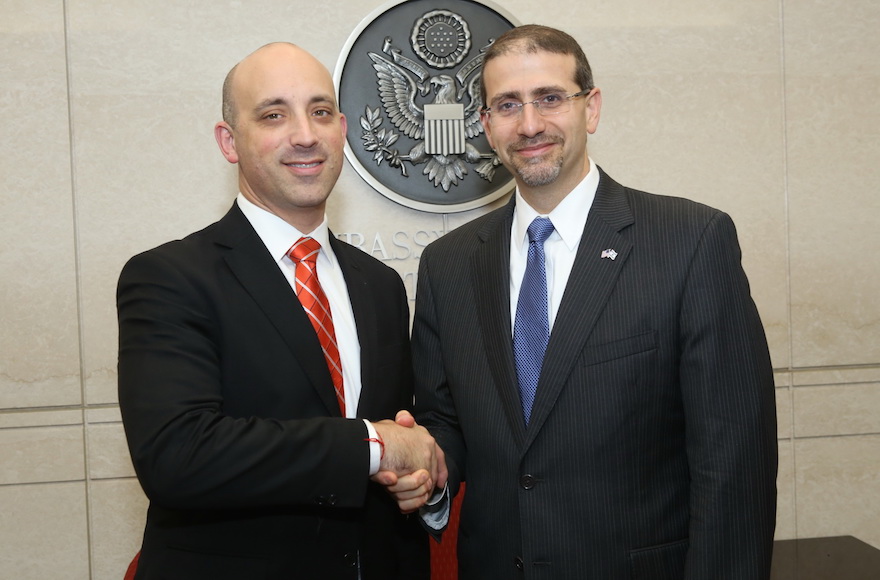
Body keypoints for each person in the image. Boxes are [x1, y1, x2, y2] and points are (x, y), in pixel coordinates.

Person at [404, 24, 778, 579]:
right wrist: (428, 468)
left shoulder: (690, 241)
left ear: (591, 108)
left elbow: (733, 464)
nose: (529, 124)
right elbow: (447, 421)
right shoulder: (448, 265)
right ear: (485, 125)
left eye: (550, 98)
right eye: (507, 105)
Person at [117, 42, 442, 580]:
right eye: (273, 115)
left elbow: (399, 446)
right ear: (229, 141)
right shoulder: (170, 277)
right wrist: (375, 445)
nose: (305, 135)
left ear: (341, 128)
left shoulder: (381, 285)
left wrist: (417, 482)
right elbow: (179, 457)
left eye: (319, 112)